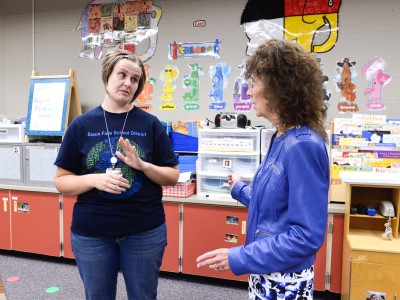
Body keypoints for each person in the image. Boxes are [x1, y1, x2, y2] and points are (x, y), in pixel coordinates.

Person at [196, 38, 330, 300]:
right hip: (267, 267)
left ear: (279, 88)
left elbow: (305, 237)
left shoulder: (302, 145)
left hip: (284, 278)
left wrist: (239, 256)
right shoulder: (281, 137)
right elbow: (275, 206)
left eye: (254, 83)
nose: (248, 92)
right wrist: (240, 189)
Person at [54, 48, 179, 300]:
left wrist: (143, 166)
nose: (128, 83)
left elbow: (172, 176)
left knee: (144, 296)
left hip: (144, 231)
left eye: (135, 80)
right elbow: (61, 181)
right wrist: (94, 179)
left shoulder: (150, 124)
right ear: (107, 75)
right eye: (122, 75)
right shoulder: (81, 125)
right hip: (93, 233)